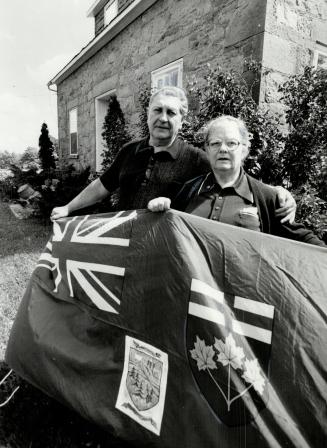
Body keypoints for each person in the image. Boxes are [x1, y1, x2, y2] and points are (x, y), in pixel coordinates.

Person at [51, 88, 295, 222]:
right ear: (148, 114)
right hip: (121, 238)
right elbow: (103, 185)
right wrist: (69, 207)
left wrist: (277, 194)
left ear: (182, 120)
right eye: (158, 110)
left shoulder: (197, 158)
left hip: (161, 250)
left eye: (172, 112)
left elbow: (231, 175)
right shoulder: (129, 151)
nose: (163, 118)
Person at [148, 115, 325, 246]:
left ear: (244, 150)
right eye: (215, 143)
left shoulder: (267, 197)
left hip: (239, 294)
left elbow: (308, 244)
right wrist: (157, 209)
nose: (223, 149)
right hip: (195, 293)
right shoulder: (187, 191)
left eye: (231, 143)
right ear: (207, 150)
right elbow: (161, 232)